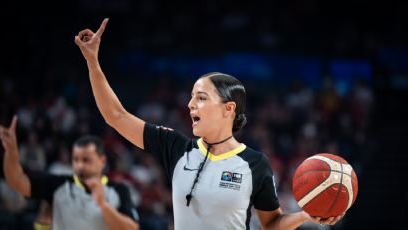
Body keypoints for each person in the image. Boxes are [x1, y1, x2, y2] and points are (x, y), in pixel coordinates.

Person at [74, 18, 345, 229]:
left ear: (228, 109)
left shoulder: (255, 164)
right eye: (191, 97)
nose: (190, 104)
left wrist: (304, 216)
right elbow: (115, 116)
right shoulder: (176, 148)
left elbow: (271, 225)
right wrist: (92, 62)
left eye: (201, 98)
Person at [0, 117, 139, 230]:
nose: (79, 165)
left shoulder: (119, 190)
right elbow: (17, 182)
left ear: (102, 160)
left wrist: (103, 205)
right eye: (75, 159)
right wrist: (12, 152)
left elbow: (132, 228)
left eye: (86, 160)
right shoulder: (57, 185)